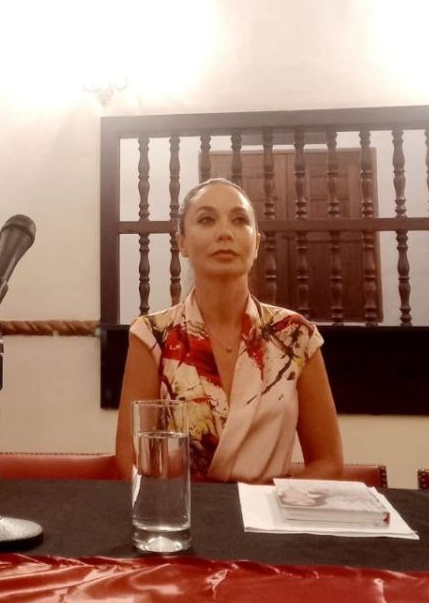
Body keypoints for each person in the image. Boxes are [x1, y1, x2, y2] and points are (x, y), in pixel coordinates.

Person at [114, 178, 343, 483]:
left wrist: (269, 503)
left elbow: (328, 463)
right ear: (182, 242)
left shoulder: (294, 335)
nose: (225, 232)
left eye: (239, 220)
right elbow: (130, 459)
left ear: (256, 243)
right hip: (182, 509)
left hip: (269, 510)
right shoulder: (153, 335)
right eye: (207, 220)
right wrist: (178, 506)